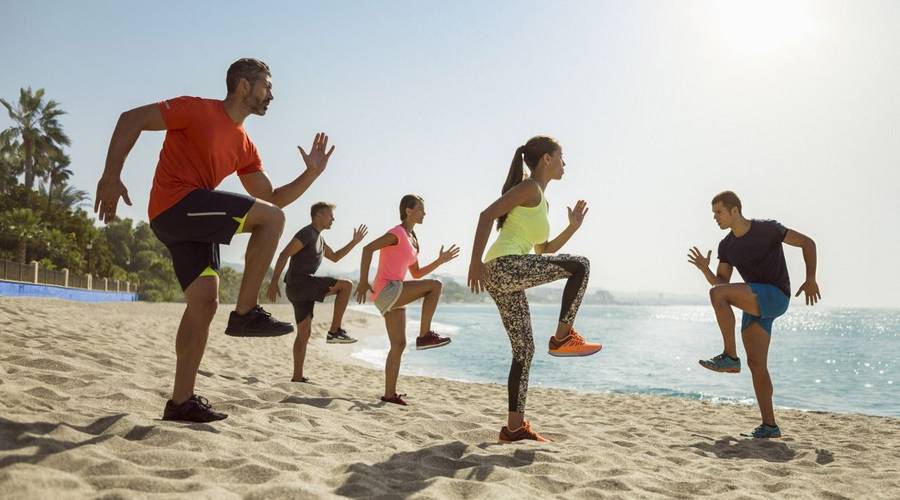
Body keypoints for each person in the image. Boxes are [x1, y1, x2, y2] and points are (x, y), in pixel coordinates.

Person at [94, 58, 335, 422]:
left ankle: (180, 401)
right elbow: (131, 118)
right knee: (272, 221)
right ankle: (245, 313)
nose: (272, 94)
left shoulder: (246, 146)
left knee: (204, 303)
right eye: (266, 86)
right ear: (243, 85)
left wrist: (311, 174)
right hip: (175, 206)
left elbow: (271, 198)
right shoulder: (195, 109)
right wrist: (111, 175)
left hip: (194, 220)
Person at [467, 136, 602, 443]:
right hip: (503, 265)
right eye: (561, 157)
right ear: (546, 160)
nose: (565, 163)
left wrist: (573, 227)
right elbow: (485, 215)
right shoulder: (529, 188)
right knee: (581, 265)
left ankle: (514, 428)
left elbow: (544, 250)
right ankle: (563, 337)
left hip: (507, 272)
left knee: (524, 352)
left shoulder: (541, 200)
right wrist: (474, 262)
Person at [688, 190, 820, 439]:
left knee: (718, 296)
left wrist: (810, 278)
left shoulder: (768, 229)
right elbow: (720, 285)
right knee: (757, 365)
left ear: (734, 210)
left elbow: (808, 243)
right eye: (713, 213)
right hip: (755, 303)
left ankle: (729, 356)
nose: (715, 218)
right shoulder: (726, 246)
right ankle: (769, 426)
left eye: (718, 212)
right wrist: (705, 269)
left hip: (776, 295)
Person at [355, 195, 459, 406]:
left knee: (399, 344)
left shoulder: (413, 240)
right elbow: (367, 249)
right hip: (388, 289)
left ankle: (389, 394)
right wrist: (363, 281)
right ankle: (424, 335)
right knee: (436, 285)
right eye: (420, 209)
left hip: (394, 293)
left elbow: (417, 273)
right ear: (408, 211)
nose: (424, 213)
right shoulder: (397, 233)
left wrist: (440, 260)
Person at [266, 202, 367, 383]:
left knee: (304, 334)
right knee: (346, 286)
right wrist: (273, 282)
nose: (333, 219)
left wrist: (354, 242)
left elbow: (335, 257)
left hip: (300, 288)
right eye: (330, 215)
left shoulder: (319, 239)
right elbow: (284, 254)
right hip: (301, 284)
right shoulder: (306, 233)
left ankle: (297, 377)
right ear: (318, 215)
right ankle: (335, 330)